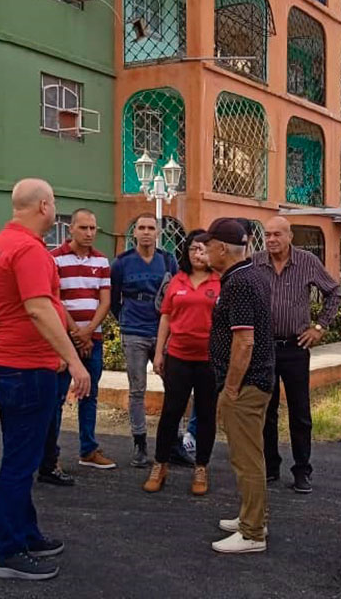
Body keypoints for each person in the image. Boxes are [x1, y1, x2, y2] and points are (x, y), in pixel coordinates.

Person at [0, 179, 91, 581]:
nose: (54, 209)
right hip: (25, 369)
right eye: (54, 203)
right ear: (44, 205)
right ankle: (8, 551)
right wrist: (74, 362)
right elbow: (40, 309)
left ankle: (25, 533)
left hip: (11, 364)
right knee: (19, 463)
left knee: (21, 459)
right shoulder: (28, 250)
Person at [195, 219, 274, 554]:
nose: (203, 250)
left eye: (208, 244)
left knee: (247, 459)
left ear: (222, 249)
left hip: (246, 385)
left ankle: (253, 532)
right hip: (254, 381)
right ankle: (251, 517)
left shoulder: (239, 283)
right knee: (249, 455)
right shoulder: (248, 275)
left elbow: (244, 342)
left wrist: (230, 389)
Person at [253, 216, 341, 494]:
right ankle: (270, 467)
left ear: (290, 236)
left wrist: (319, 327)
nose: (272, 240)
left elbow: (333, 292)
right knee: (266, 411)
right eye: (267, 235)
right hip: (263, 347)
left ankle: (302, 470)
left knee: (300, 412)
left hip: (295, 348)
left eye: (277, 234)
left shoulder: (306, 262)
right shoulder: (255, 262)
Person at [38, 208, 116, 487]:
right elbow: (54, 300)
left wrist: (88, 332)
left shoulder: (102, 260)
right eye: (83, 228)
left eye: (93, 228)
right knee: (57, 398)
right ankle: (51, 456)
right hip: (64, 339)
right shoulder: (54, 259)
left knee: (90, 395)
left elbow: (104, 301)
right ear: (70, 229)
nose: (89, 233)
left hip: (91, 339)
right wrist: (75, 332)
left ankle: (88, 449)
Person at [143, 231, 221, 496]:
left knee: (207, 414)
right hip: (178, 356)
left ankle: (201, 467)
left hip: (209, 360)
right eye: (193, 249)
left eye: (202, 249)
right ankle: (160, 464)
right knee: (171, 412)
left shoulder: (220, 280)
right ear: (186, 253)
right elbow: (165, 316)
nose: (198, 254)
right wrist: (159, 354)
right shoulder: (177, 280)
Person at [110, 213, 184, 467]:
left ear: (157, 232)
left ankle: (175, 442)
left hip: (163, 332)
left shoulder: (167, 260)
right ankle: (139, 444)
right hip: (134, 332)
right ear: (134, 232)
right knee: (137, 390)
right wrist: (126, 320)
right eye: (141, 227)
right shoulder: (121, 263)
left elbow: (175, 295)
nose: (146, 232)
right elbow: (113, 300)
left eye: (151, 228)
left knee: (175, 387)